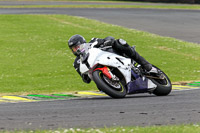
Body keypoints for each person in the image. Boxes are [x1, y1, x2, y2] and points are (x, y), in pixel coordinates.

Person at [68, 34, 152, 84]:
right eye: (73, 49)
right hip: (100, 73)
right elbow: (86, 81)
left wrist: (107, 41)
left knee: (119, 43)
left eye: (77, 47)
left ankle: (144, 63)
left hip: (111, 57)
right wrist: (85, 76)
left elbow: (108, 38)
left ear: (83, 43)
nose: (76, 50)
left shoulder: (92, 42)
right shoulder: (77, 63)